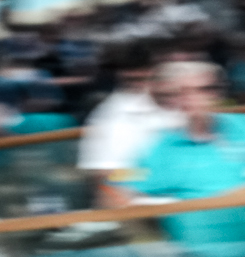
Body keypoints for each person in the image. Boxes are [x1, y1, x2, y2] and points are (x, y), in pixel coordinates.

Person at [134, 61, 245, 257]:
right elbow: (120, 182)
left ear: (218, 93)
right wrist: (151, 247)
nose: (197, 98)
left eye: (206, 89)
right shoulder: (162, 146)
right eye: (185, 92)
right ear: (174, 100)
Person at [76, 43, 181, 209]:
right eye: (133, 79)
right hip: (139, 203)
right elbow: (107, 174)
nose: (140, 85)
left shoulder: (179, 104)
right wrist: (155, 174)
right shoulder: (110, 115)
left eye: (146, 77)